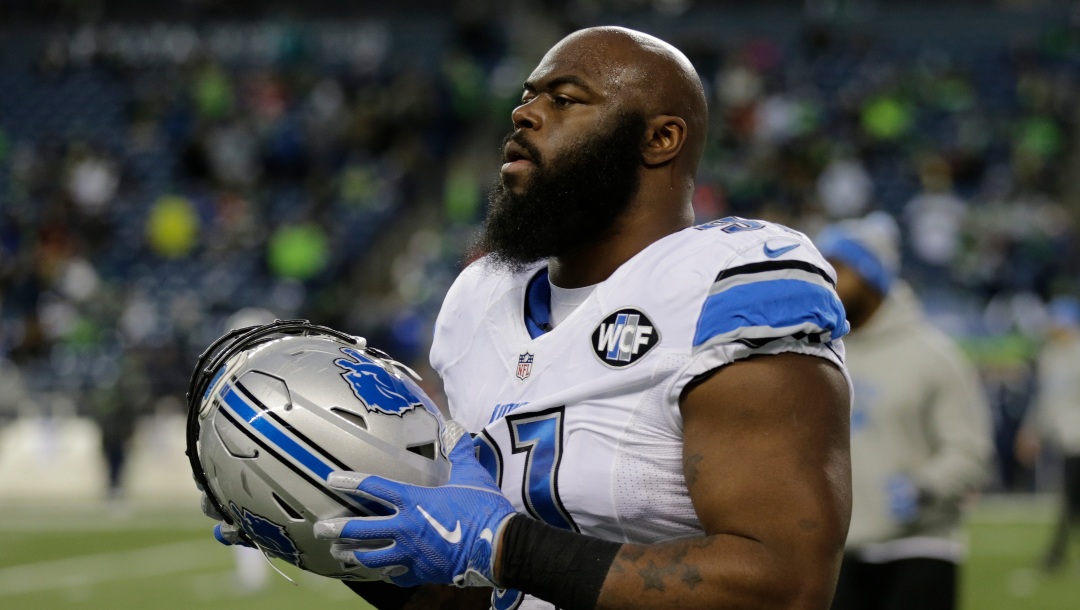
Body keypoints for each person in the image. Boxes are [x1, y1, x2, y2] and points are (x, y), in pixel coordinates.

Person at [201, 26, 851, 610]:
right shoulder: (478, 299)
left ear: (661, 139)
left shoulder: (730, 282)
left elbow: (783, 586)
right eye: (528, 94)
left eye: (565, 98)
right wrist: (332, 528)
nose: (524, 112)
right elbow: (482, 597)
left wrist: (506, 547)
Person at [816, 212, 992, 610]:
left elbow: (969, 451)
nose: (826, 281)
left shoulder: (934, 355)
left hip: (921, 547)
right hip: (839, 550)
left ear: (871, 273)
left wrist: (924, 487)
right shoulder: (819, 354)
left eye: (837, 268)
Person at [1016, 297, 1080, 573]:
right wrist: (1031, 432)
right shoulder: (1050, 355)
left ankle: (1056, 554)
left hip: (1077, 436)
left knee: (1071, 497)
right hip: (1065, 437)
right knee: (1071, 497)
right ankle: (1056, 554)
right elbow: (1044, 400)